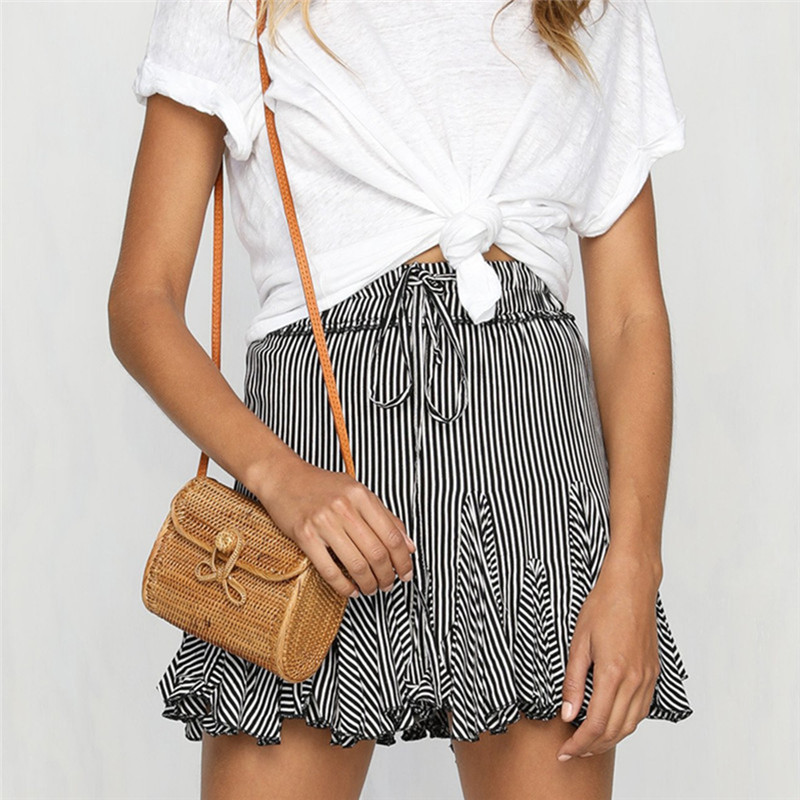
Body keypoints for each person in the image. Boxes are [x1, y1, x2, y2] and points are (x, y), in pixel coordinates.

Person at [108, 0, 694, 796]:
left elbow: (631, 316)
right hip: (310, 474)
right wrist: (280, 478)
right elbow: (141, 301)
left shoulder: (587, 8)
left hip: (534, 472)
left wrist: (634, 566)